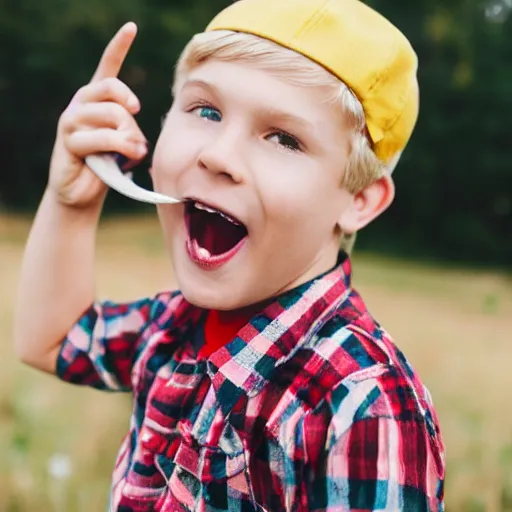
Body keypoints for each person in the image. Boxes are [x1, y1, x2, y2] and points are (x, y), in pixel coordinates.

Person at [13, 0, 445, 510]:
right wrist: (72, 203)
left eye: (284, 138)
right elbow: (53, 340)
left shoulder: (363, 406)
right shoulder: (173, 328)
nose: (217, 155)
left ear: (359, 200)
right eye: (206, 111)